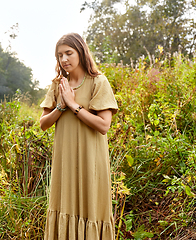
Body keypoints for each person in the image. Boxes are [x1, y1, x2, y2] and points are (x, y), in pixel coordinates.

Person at [40, 33, 118, 240]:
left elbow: (104, 126)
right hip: (65, 162)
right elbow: (43, 124)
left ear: (81, 52)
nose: (64, 59)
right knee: (64, 203)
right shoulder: (58, 85)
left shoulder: (98, 82)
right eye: (59, 55)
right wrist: (61, 105)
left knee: (91, 206)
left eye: (69, 53)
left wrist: (74, 105)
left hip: (91, 159)